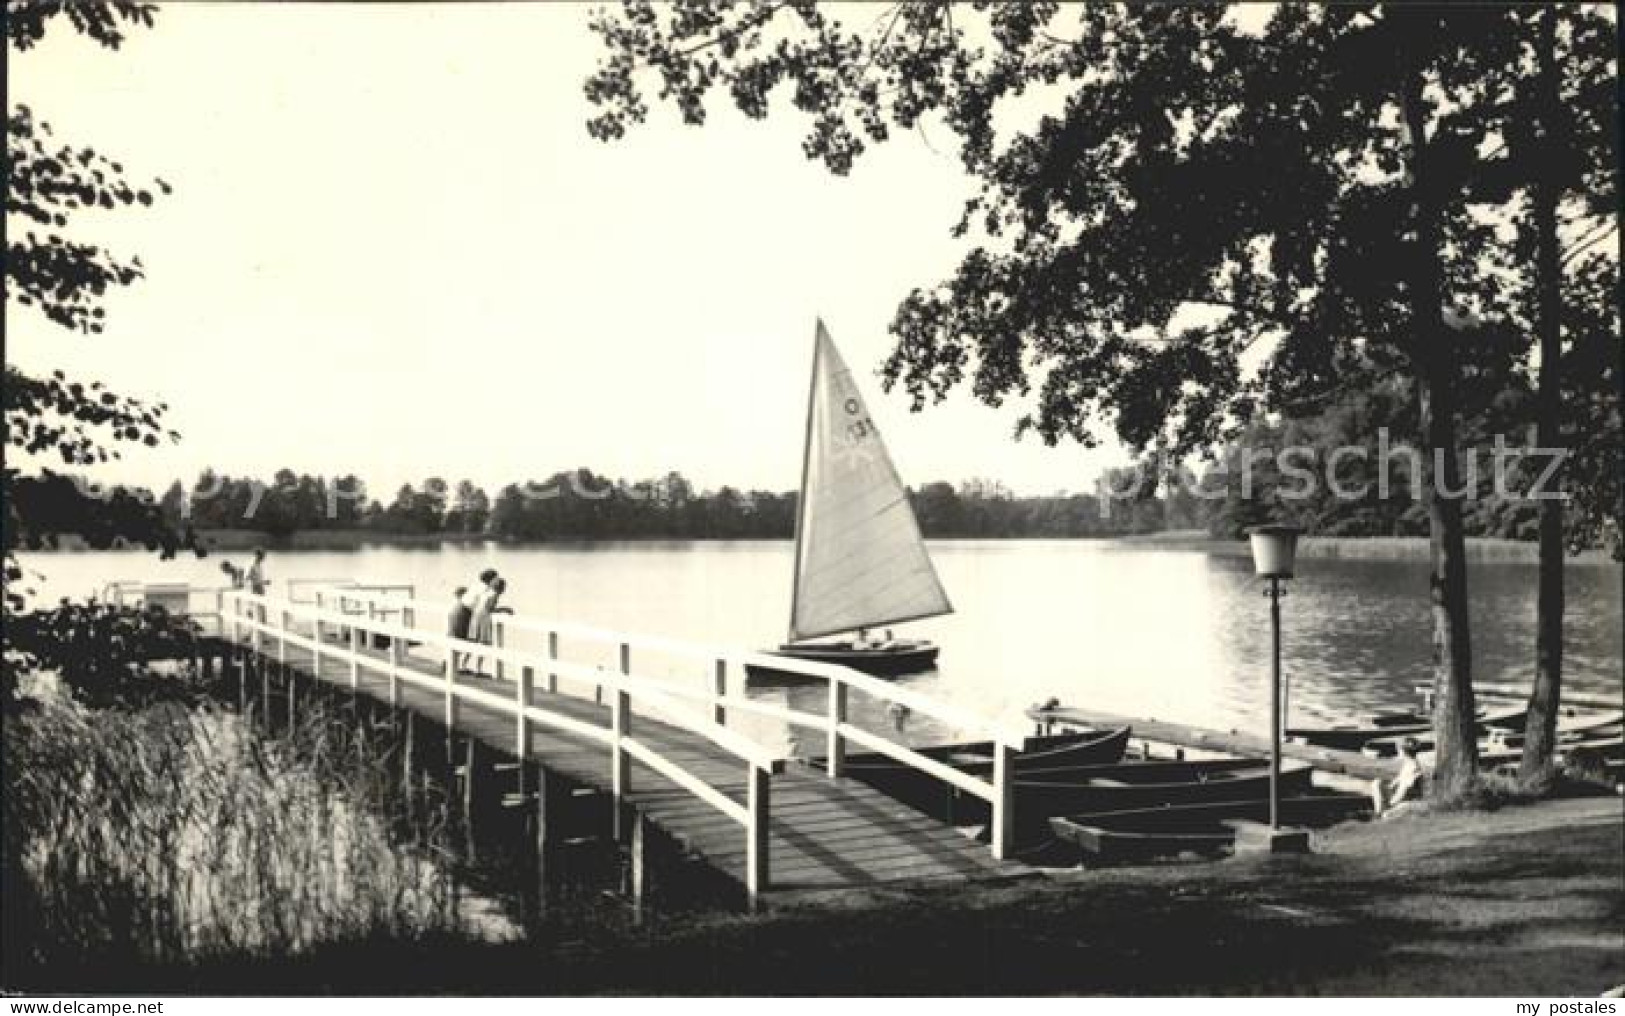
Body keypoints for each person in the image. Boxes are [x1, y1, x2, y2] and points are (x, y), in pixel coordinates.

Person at [465, 575, 511, 676]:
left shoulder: (486, 593)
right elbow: (489, 609)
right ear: (500, 588)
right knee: (484, 643)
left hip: (476, 616)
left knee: (472, 642)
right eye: (504, 588)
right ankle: (478, 669)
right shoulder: (494, 595)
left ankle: (463, 665)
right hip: (484, 618)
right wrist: (505, 609)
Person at [1372, 737, 1427, 816]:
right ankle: (1378, 813)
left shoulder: (1413, 768)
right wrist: (1386, 788)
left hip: (1410, 802)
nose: (1398, 751)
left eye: (1398, 749)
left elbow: (1404, 791)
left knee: (1387, 815)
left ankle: (1380, 814)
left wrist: (1390, 803)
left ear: (1403, 751)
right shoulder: (1408, 764)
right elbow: (1395, 784)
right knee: (1377, 783)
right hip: (1403, 799)